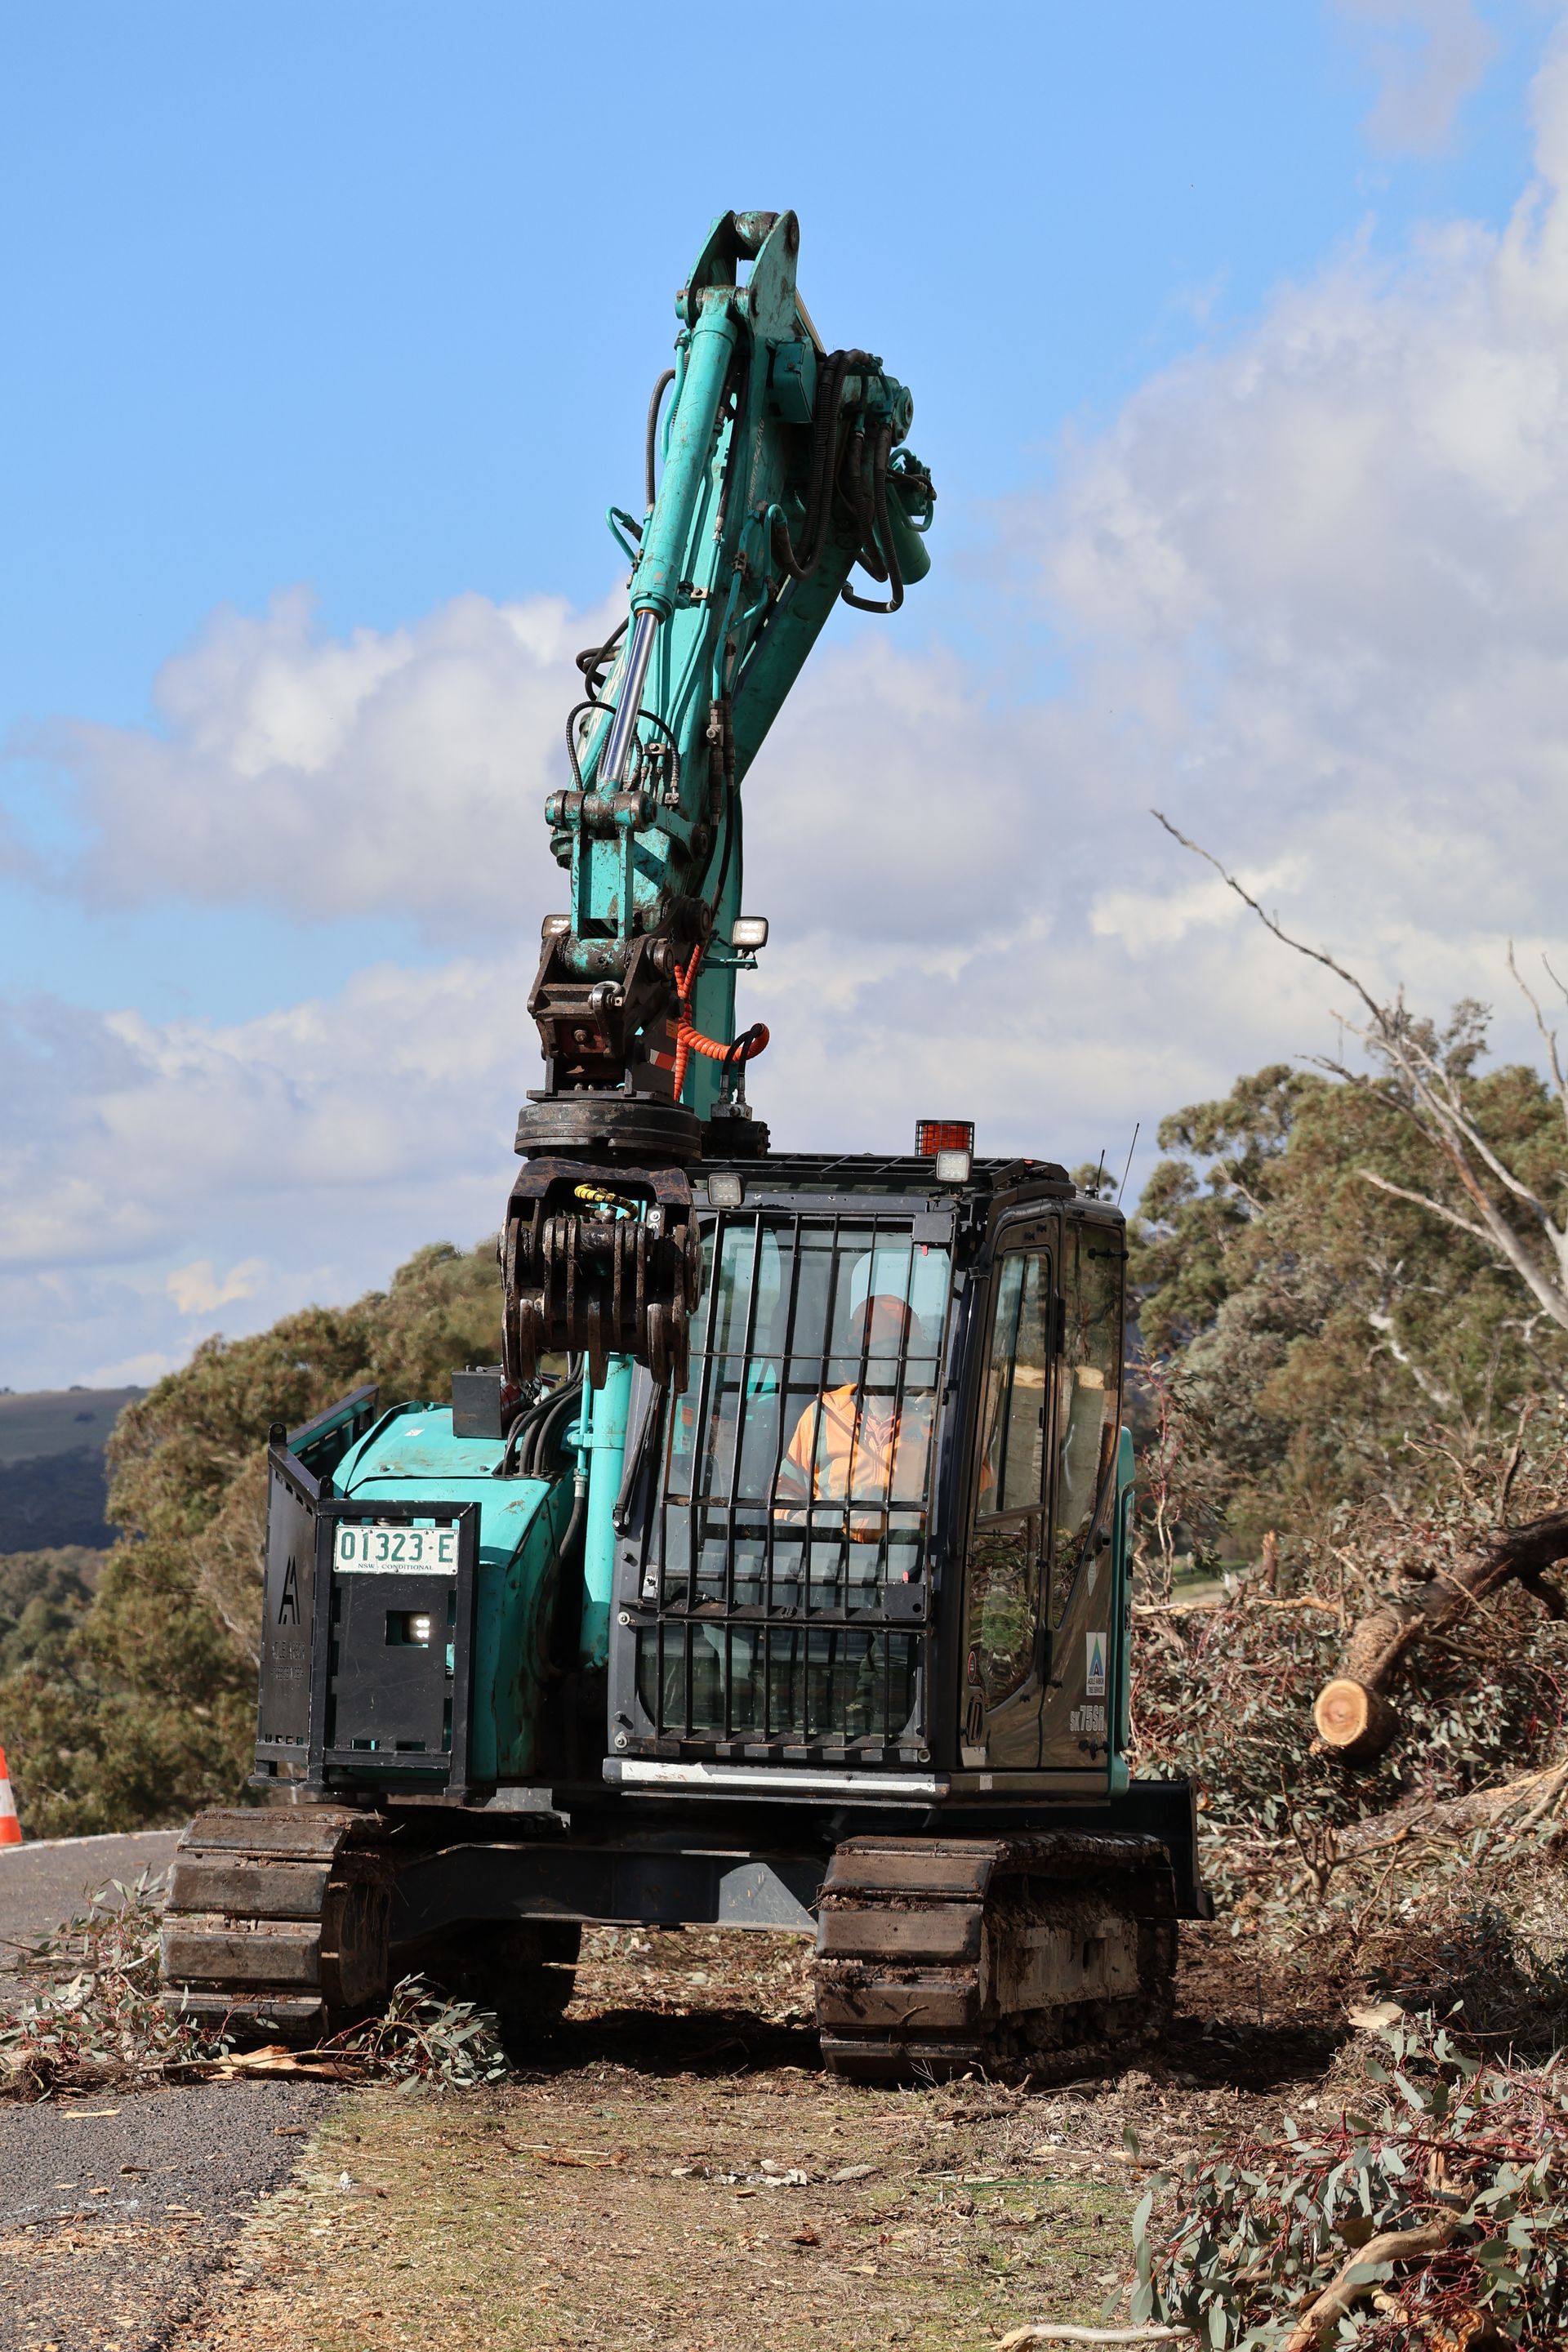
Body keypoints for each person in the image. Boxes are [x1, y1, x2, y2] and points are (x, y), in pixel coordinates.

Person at [774, 1294, 934, 1537]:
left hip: (909, 1558)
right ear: (857, 1355)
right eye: (884, 1354)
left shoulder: (935, 1422)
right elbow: (784, 1488)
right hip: (831, 1556)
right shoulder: (823, 1414)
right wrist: (813, 1523)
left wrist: (942, 1417)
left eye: (904, 1353)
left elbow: (970, 1499)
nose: (895, 1364)